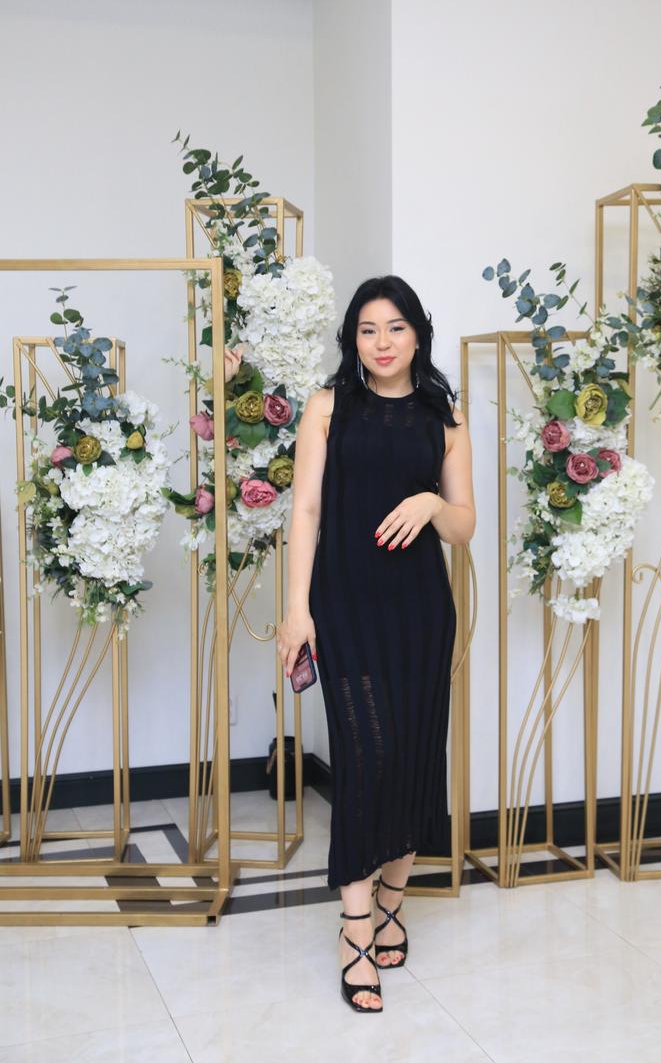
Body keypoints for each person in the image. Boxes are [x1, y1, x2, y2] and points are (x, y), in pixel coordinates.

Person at [277, 275, 475, 1013]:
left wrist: (431, 503)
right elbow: (304, 510)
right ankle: (355, 927)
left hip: (421, 611)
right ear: (351, 340)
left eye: (395, 327)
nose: (382, 342)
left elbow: (465, 524)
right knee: (366, 760)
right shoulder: (328, 407)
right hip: (345, 607)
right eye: (367, 329)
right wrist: (296, 611)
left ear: (418, 334)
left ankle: (393, 900)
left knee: (415, 756)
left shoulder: (443, 416)